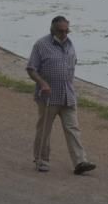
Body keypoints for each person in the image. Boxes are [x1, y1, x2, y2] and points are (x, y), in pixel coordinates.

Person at [26, 16, 96, 175]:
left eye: (66, 31)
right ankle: (41, 160)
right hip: (48, 97)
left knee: (73, 129)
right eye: (61, 31)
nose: (64, 34)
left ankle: (80, 162)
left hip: (68, 95)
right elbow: (31, 69)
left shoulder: (70, 44)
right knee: (44, 130)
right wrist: (42, 83)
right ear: (52, 30)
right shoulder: (41, 45)